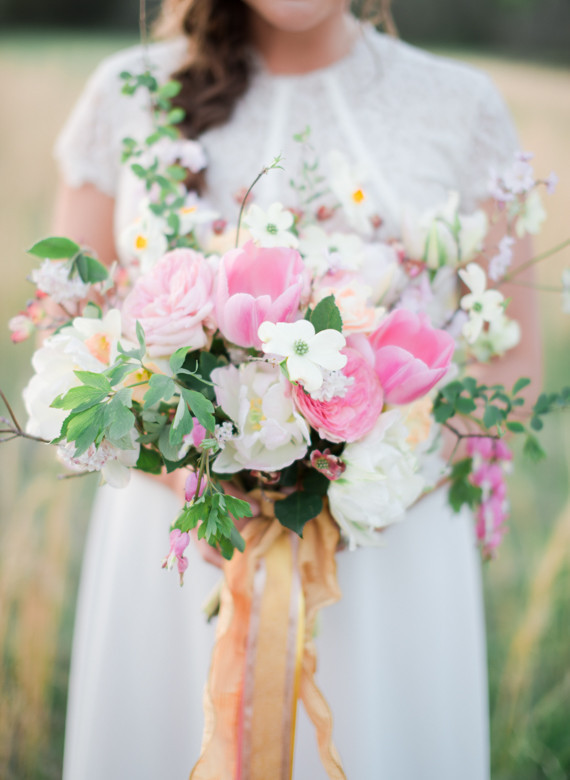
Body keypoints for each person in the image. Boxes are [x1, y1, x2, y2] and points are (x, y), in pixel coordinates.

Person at [53, 1, 540, 778]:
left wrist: (365, 478)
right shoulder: (128, 96)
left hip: (387, 561)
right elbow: (67, 339)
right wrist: (202, 470)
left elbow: (513, 371)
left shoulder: (461, 106)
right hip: (178, 549)